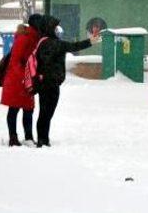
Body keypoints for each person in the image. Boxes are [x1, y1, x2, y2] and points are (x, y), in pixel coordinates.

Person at [35, 15, 100, 147]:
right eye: (55, 27)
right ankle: (43, 140)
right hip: (51, 83)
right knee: (47, 114)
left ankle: (42, 138)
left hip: (42, 83)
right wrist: (90, 41)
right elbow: (74, 46)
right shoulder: (55, 44)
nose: (57, 30)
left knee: (44, 113)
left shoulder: (41, 42)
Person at [0, 14, 44, 147]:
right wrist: (24, 78)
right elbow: (15, 61)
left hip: (26, 79)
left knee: (28, 109)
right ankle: (13, 138)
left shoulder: (35, 38)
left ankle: (28, 137)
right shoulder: (25, 38)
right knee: (14, 109)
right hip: (17, 80)